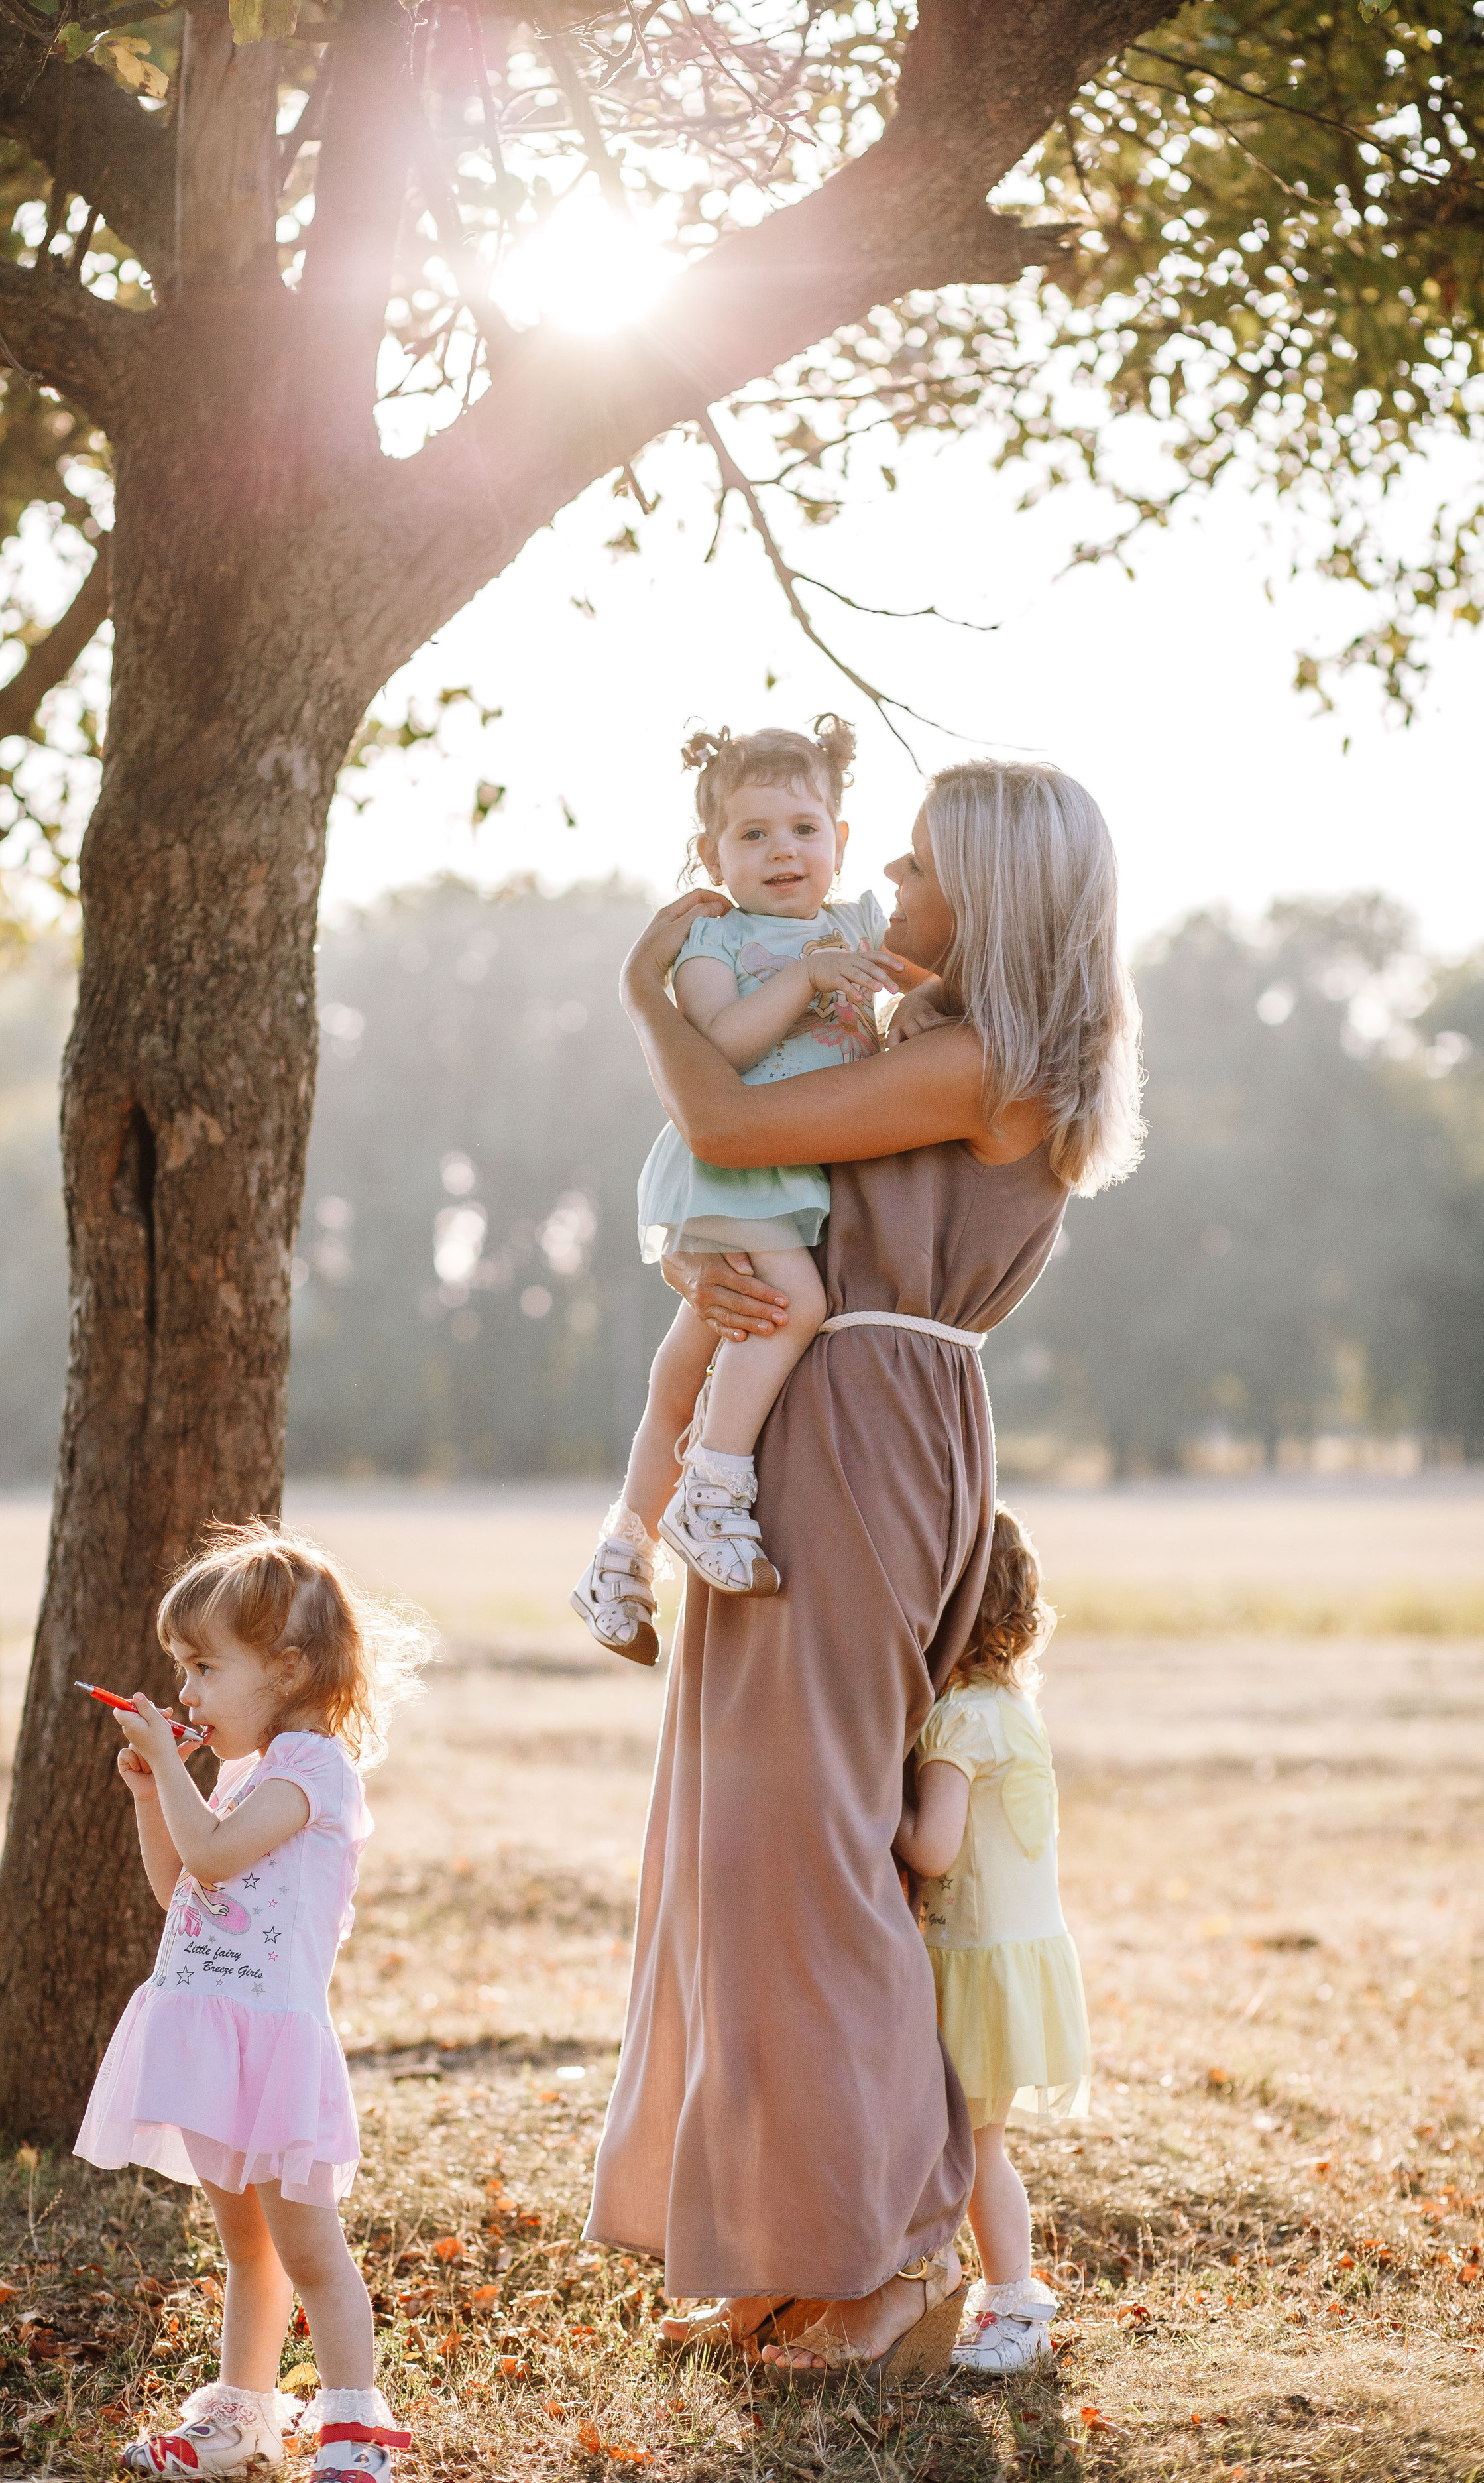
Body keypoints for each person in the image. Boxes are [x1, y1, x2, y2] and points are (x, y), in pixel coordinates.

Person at [584, 759, 1142, 2382]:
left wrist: (646, 991)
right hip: (822, 1417)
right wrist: (704, 1252)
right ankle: (791, 2232)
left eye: (911, 864)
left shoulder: (991, 1064)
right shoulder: (916, 1040)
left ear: (990, 893)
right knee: (754, 1826)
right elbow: (751, 1177)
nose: (880, 882)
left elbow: (723, 1113)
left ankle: (883, 2260)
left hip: (865, 1429)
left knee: (811, 1839)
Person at [74, 1524, 428, 2480]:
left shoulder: (314, 1774)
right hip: (211, 2037)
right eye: (178, 1672)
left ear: (287, 1668)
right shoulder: (240, 1776)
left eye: (200, 1669)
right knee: (247, 2249)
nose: (184, 1694)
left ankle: (356, 2424)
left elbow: (218, 1854)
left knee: (309, 2248)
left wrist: (179, 1791)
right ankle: (244, 2413)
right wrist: (157, 1794)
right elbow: (185, 1890)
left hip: (272, 2047)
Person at [571, 717, 900, 1664]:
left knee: (685, 1367)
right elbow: (721, 1047)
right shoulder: (717, 937)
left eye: (804, 827)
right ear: (709, 854)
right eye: (752, 835)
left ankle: (618, 1556)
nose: (782, 851)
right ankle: (712, 1489)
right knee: (792, 1303)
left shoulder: (858, 925)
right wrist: (806, 976)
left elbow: (932, 988)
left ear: (841, 838)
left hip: (794, 1174)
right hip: (736, 1161)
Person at [895, 1503, 1088, 2376]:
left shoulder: (959, 1720)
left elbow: (932, 1846)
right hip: (1016, 1962)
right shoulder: (1012, 1708)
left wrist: (869, 1805)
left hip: (973, 1968)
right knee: (977, 2146)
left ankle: (1016, 2304)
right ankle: (984, 2294)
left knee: (976, 2151)